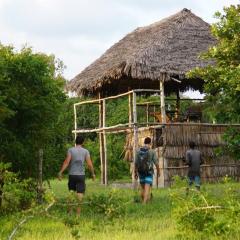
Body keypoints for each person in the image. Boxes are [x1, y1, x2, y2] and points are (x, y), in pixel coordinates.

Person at [58, 135, 95, 215]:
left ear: (75, 141)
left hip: (72, 175)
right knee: (80, 195)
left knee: (71, 193)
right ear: (83, 142)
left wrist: (60, 172)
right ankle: (78, 215)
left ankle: (69, 213)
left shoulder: (70, 150)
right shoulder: (85, 151)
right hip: (81, 176)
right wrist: (93, 174)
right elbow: (89, 164)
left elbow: (66, 162)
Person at [134, 137, 160, 204]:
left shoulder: (138, 151)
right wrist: (158, 171)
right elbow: (156, 163)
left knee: (142, 188)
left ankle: (144, 201)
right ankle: (144, 204)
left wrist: (135, 173)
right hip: (149, 172)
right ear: (150, 143)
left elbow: (136, 163)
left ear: (144, 142)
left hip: (140, 172)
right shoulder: (152, 151)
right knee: (147, 188)